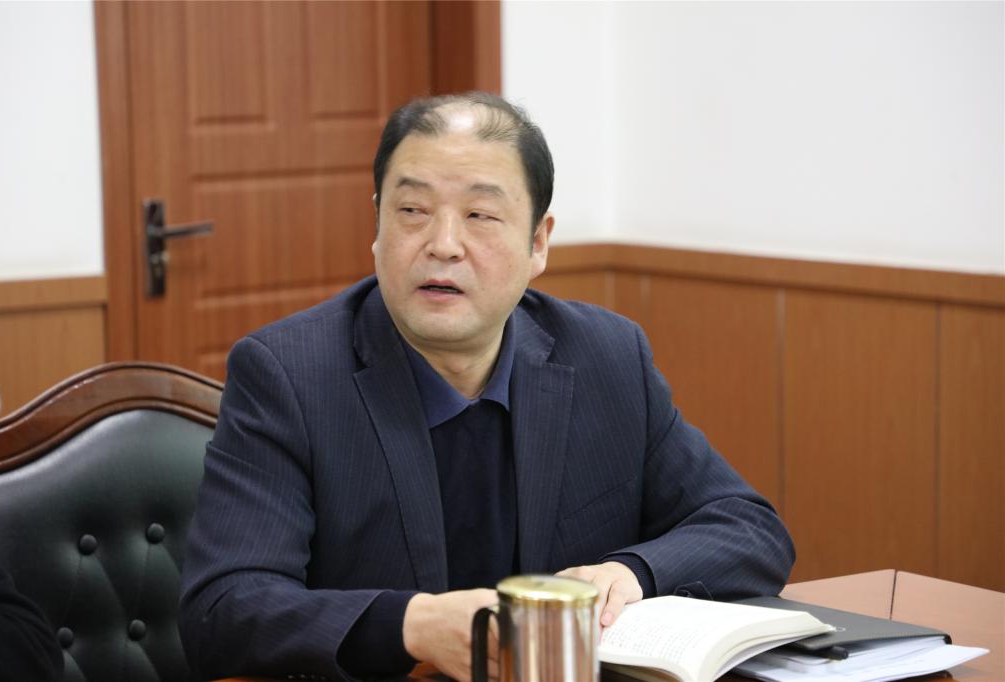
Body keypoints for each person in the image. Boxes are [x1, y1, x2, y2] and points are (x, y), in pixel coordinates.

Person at [179, 92, 795, 681]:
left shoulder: (606, 356)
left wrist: (633, 572)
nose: (443, 245)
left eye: (480, 216)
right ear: (377, 227)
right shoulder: (288, 374)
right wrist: (414, 626)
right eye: (412, 211)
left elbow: (748, 529)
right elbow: (223, 609)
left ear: (538, 242)